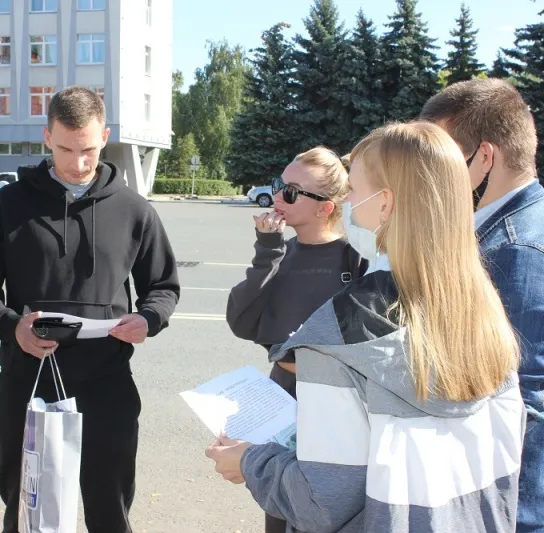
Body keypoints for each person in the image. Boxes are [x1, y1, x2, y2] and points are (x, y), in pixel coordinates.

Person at [206, 122, 525, 532]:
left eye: (354, 190)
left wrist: (250, 461)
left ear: (385, 203)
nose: (347, 204)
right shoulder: (482, 304)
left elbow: (320, 503)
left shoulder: (339, 332)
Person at [0, 86, 180, 533]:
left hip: (108, 386)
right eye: (65, 148)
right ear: (47, 137)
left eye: (87, 149)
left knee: (110, 511)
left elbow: (162, 286)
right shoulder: (10, 204)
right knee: (27, 510)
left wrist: (148, 319)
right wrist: (12, 328)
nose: (77, 162)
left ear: (104, 136)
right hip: (27, 383)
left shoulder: (134, 210)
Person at [420, 78, 544, 533]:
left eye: (442, 160)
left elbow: (524, 401)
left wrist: (512, 518)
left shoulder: (515, 248)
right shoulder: (502, 228)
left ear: (484, 158)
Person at [226, 147, 366, 533]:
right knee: (280, 510)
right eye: (277, 186)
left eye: (291, 192)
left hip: (339, 406)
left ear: (325, 208)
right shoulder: (278, 252)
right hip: (282, 401)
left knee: (326, 510)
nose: (276, 198)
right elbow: (241, 321)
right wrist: (266, 251)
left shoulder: (355, 259)